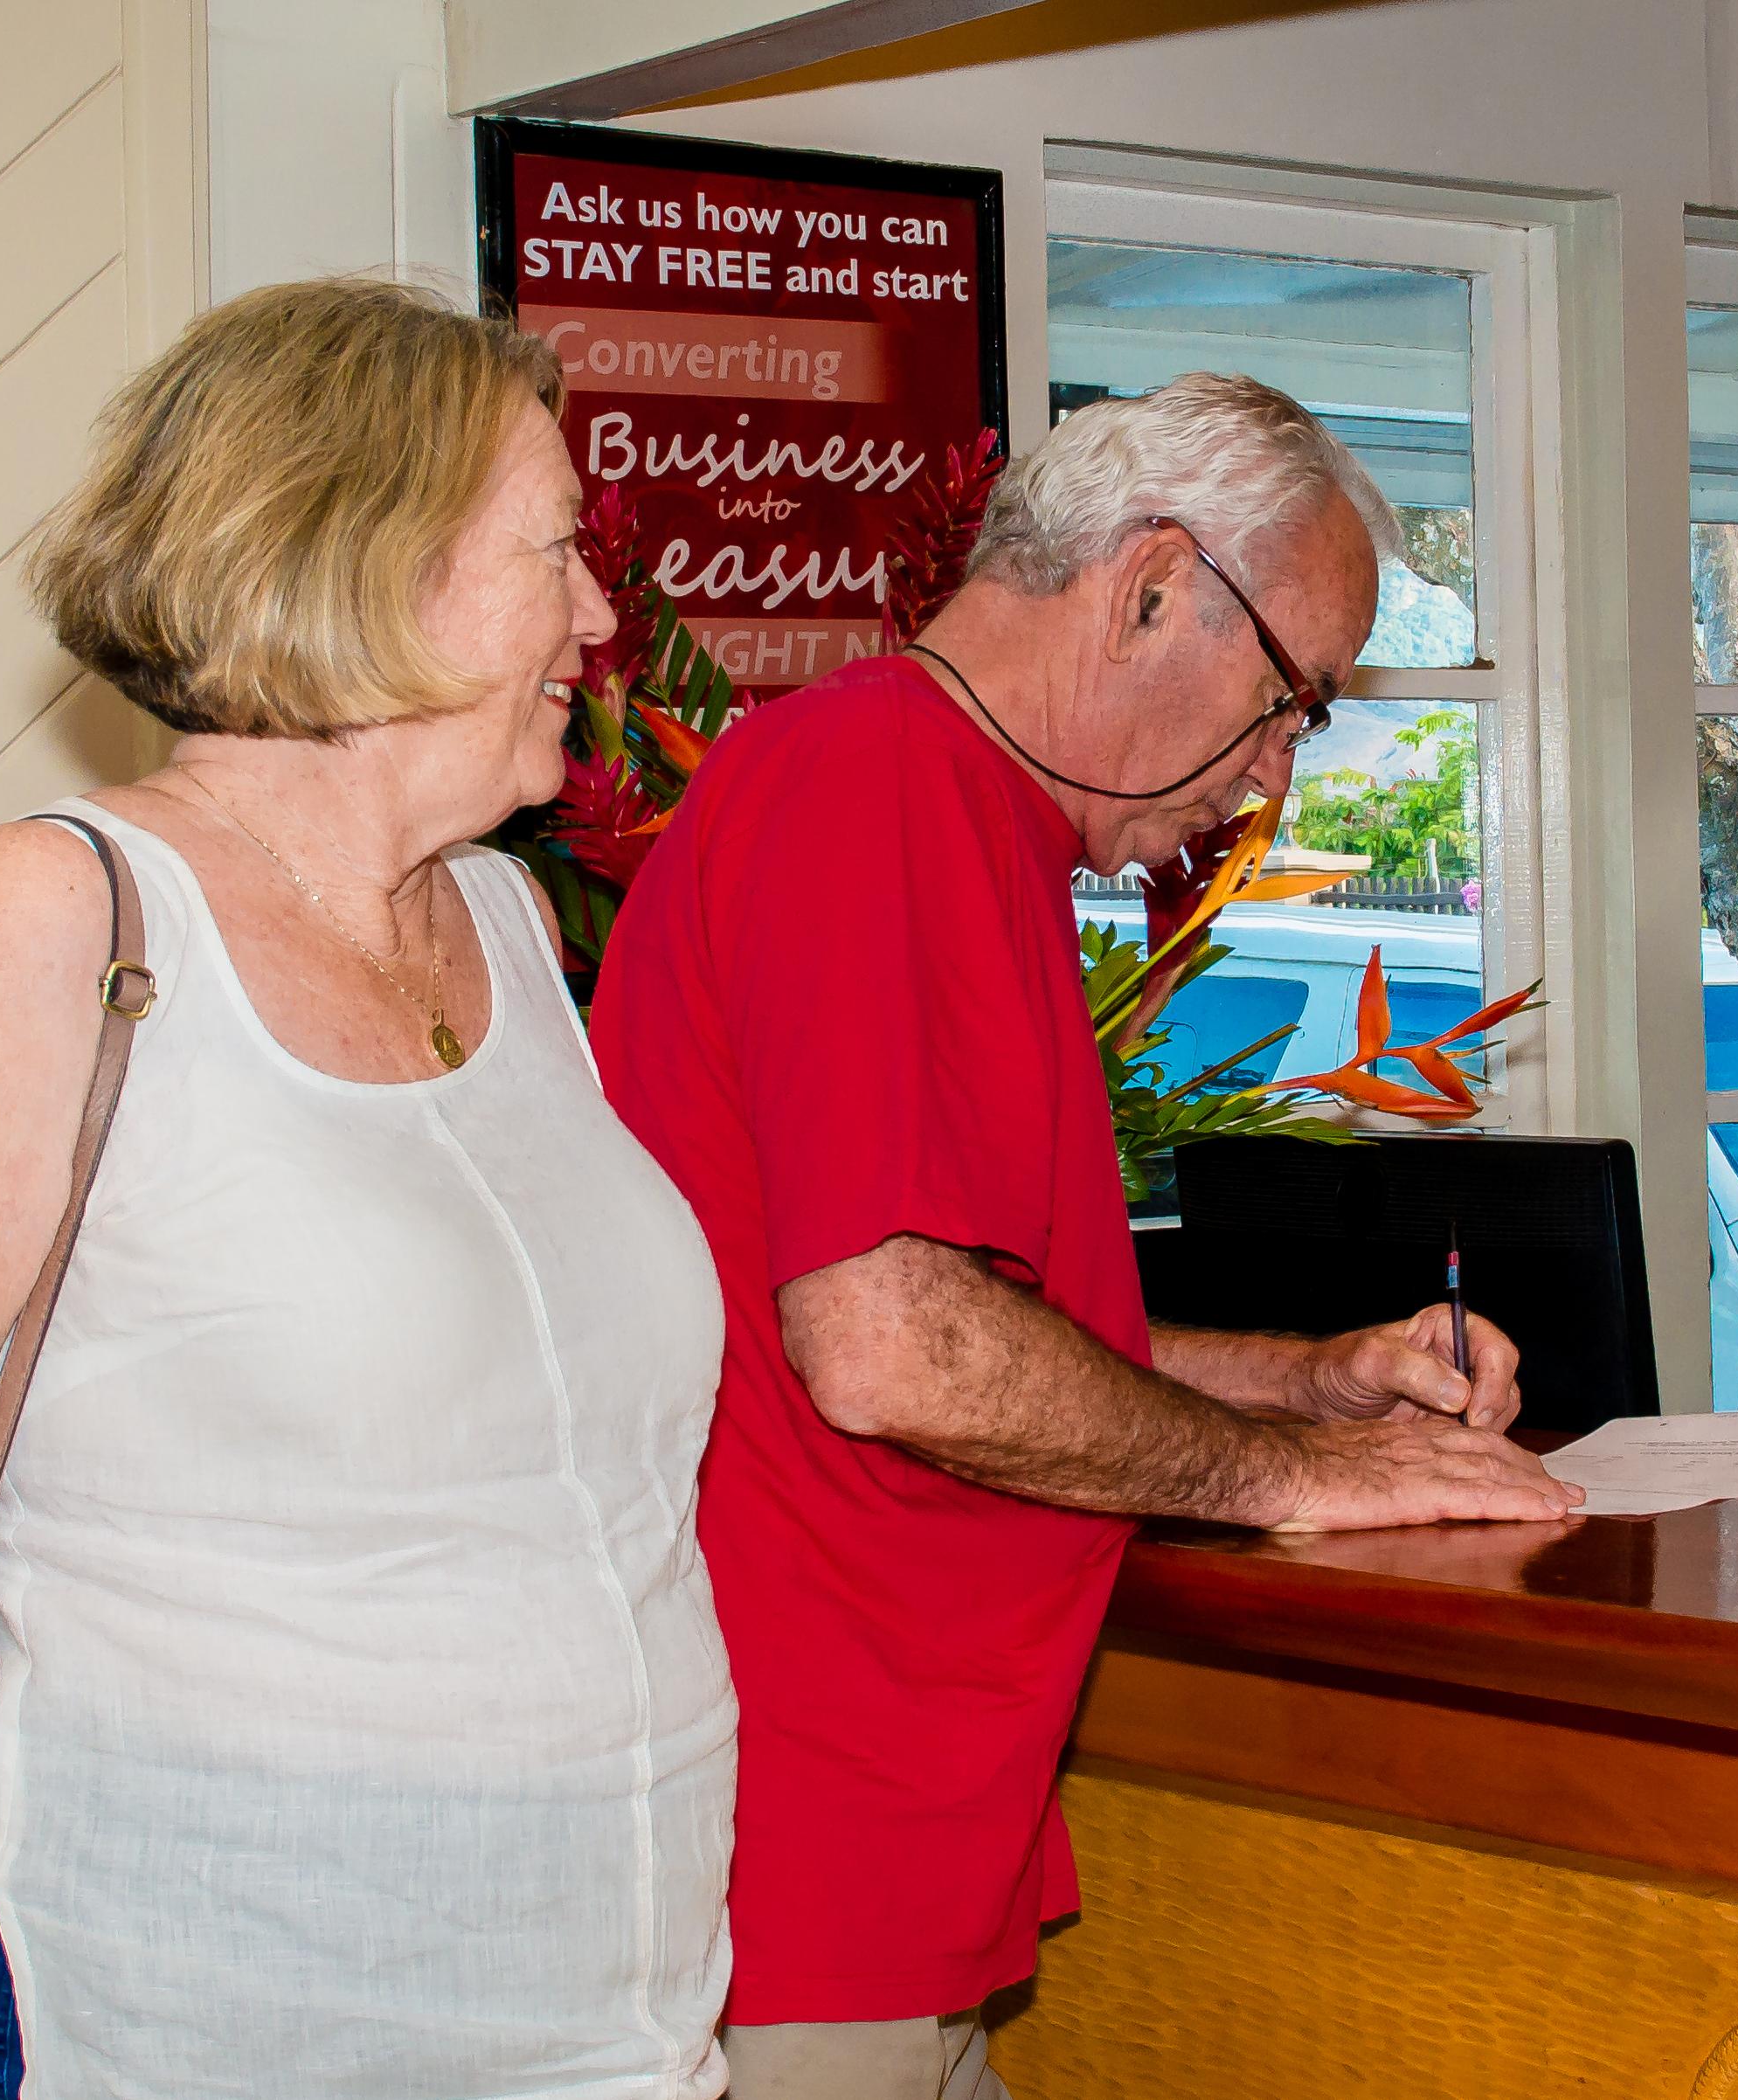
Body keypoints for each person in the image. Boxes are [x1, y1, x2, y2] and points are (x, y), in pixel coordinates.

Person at [0, 278, 734, 2100]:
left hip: (607, 2027)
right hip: (165, 2017)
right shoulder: (58, 921)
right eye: (559, 550)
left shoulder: (498, 916)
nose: (602, 612)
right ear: (373, 557)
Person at [590, 372, 1584, 2100]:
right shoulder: (881, 787)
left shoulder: (942, 807)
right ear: (1143, 587)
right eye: (1291, 701)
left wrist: (1314, 1387)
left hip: (877, 1843)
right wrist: (1287, 1479)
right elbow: (897, 1345)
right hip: (810, 1851)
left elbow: (986, 1313)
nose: (1274, 771)